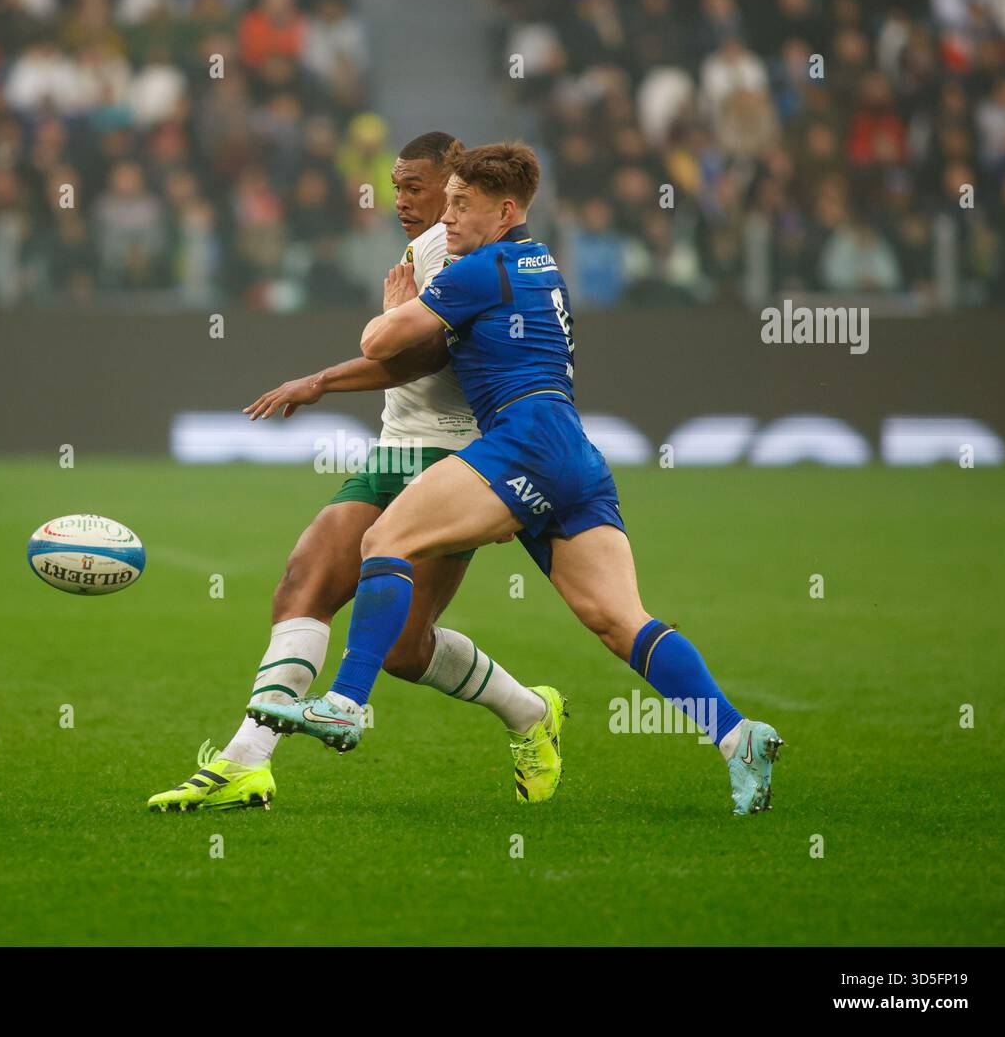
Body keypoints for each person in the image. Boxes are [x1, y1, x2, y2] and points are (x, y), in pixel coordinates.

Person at [248, 142, 783, 816]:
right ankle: (739, 737)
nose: (447, 219)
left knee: (386, 538)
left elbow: (381, 345)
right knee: (620, 621)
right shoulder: (539, 260)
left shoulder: (485, 267)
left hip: (522, 441)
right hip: (573, 452)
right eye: (446, 204)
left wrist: (395, 307)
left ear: (505, 211)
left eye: (461, 205)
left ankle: (346, 704)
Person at [148, 133, 564, 813]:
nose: (400, 200)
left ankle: (528, 713)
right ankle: (244, 761)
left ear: (456, 187)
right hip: (394, 450)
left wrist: (320, 379)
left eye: (416, 188)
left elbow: (421, 357)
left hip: (455, 459)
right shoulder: (432, 247)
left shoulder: (461, 252)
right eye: (396, 186)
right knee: (302, 583)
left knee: (405, 650)